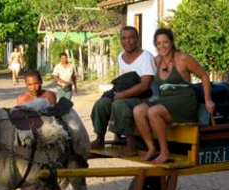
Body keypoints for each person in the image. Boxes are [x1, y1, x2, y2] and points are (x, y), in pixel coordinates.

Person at [133, 28, 215, 164]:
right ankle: (152, 148)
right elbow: (143, 77)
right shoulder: (155, 61)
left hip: (184, 101)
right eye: (158, 43)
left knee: (154, 111)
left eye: (165, 42)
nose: (162, 46)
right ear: (155, 45)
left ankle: (165, 152)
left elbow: (204, 75)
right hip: (165, 100)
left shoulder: (182, 58)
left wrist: (208, 100)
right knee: (138, 110)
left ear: (171, 42)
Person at [90, 26, 157, 156]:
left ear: (137, 39)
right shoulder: (121, 57)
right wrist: (118, 93)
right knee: (102, 103)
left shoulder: (146, 57)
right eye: (124, 38)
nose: (128, 41)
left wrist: (121, 95)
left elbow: (144, 85)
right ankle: (100, 138)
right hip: (126, 95)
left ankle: (130, 144)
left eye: (131, 37)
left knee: (119, 104)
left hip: (144, 97)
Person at [16, 69, 56, 190]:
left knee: (42, 182)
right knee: (27, 183)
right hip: (28, 144)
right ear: (25, 85)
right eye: (30, 84)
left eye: (36, 83)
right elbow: (17, 121)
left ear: (41, 81)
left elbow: (52, 117)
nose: (34, 87)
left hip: (46, 141)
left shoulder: (49, 95)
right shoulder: (21, 99)